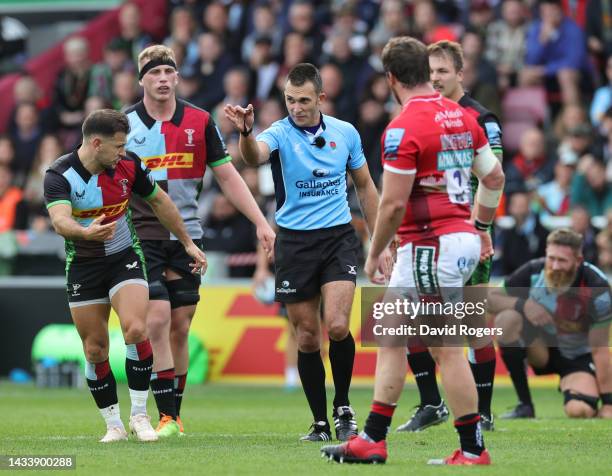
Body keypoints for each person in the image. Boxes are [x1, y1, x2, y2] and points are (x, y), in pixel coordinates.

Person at [321, 36, 505, 465]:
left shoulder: (402, 127)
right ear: (425, 70)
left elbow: (394, 202)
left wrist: (374, 250)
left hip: (429, 245)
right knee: (390, 335)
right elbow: (493, 179)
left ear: (391, 79)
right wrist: (479, 228)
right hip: (453, 238)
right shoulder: (462, 116)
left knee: (444, 347)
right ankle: (373, 437)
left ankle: (473, 448)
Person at [224, 63, 392, 442]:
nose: (296, 107)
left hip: (337, 238)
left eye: (302, 100)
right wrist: (247, 132)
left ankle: (344, 407)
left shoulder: (345, 133)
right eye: (289, 100)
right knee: (306, 337)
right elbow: (253, 157)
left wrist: (380, 241)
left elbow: (365, 186)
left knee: (336, 325)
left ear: (320, 98)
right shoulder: (279, 133)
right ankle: (319, 421)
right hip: (295, 243)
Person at [125, 45, 275, 437]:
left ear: (176, 77)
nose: (161, 79)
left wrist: (260, 221)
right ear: (141, 79)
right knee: (156, 320)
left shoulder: (199, 120)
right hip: (143, 235)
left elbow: (227, 175)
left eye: (167, 72)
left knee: (179, 325)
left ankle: (172, 414)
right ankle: (164, 415)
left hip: (188, 234)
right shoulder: (124, 125)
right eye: (153, 73)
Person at [43, 109, 207, 443]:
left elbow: (160, 202)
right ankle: (113, 424)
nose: (123, 152)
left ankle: (140, 416)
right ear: (96, 143)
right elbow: (60, 221)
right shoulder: (59, 174)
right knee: (95, 349)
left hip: (125, 258)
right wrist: (86, 233)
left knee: (136, 328)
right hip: (84, 265)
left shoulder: (129, 165)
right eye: (118, 146)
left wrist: (188, 242)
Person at [396, 39, 502, 433]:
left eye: (443, 71)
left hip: (467, 233)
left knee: (470, 324)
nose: (436, 78)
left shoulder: (480, 118)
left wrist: (482, 229)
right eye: (431, 71)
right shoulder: (423, 113)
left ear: (461, 73)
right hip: (427, 235)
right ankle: (431, 403)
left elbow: (492, 178)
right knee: (411, 322)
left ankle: (482, 412)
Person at [491, 228, 612, 419]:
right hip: (541, 350)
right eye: (551, 258)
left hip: (577, 358)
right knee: (506, 320)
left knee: (579, 411)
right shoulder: (533, 271)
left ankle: (580, 388)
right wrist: (524, 305)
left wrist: (608, 403)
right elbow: (489, 299)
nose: (554, 266)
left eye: (562, 260)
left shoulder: (596, 286)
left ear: (578, 260)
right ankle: (525, 405)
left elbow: (600, 349)